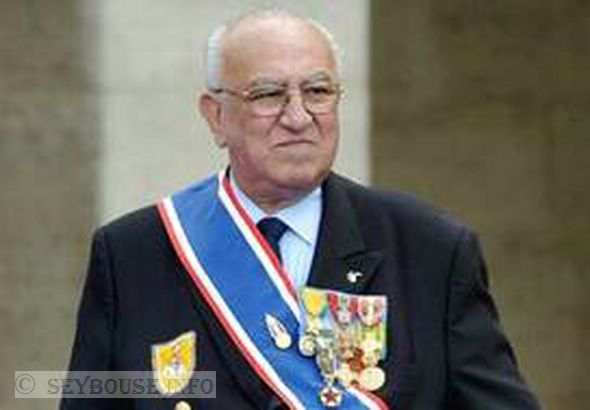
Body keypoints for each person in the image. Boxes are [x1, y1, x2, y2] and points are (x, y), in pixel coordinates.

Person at [62, 10, 540, 410]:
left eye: (317, 92)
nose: (298, 117)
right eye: (269, 94)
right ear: (216, 116)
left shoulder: (429, 249)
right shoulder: (133, 255)